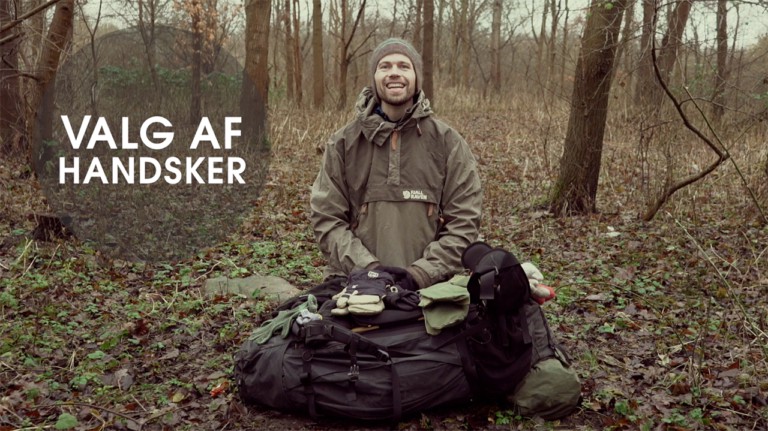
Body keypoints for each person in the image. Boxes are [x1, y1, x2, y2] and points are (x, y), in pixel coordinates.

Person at [309, 37, 482, 289]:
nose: (394, 73)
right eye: (385, 66)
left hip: (433, 286)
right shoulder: (344, 143)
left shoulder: (447, 142)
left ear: (416, 77)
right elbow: (327, 218)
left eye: (403, 66)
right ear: (374, 77)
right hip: (356, 285)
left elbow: (465, 220)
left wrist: (421, 273)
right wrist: (369, 270)